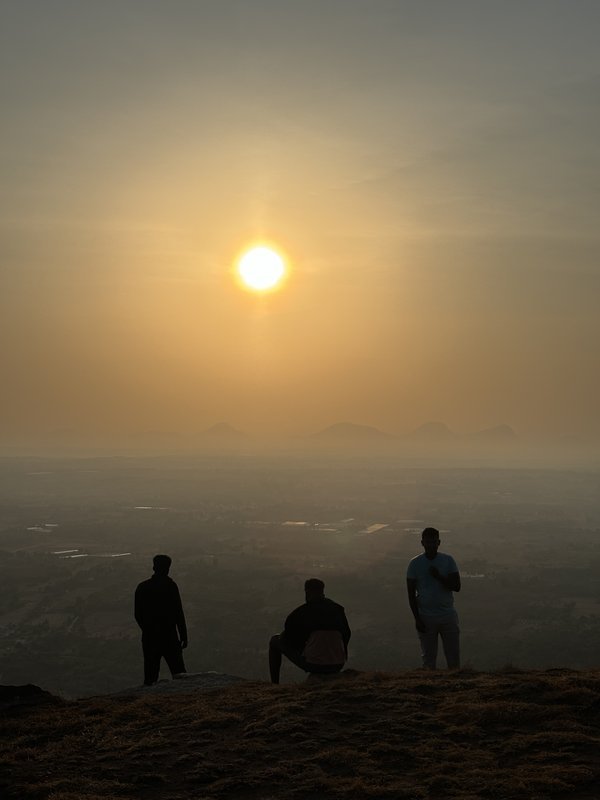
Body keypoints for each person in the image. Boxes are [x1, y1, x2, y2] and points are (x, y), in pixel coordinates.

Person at [269, 578, 351, 684]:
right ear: (322, 591)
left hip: (315, 665)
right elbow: (347, 634)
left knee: (274, 641)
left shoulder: (301, 613)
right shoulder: (338, 609)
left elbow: (288, 639)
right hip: (338, 664)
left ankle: (274, 684)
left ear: (307, 592)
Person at [406, 527, 461, 669]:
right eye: (428, 542)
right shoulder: (414, 564)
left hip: (447, 614)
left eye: (433, 542)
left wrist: (439, 577)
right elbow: (411, 594)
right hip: (426, 616)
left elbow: (456, 586)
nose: (431, 545)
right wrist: (417, 619)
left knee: (453, 655)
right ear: (422, 543)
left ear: (439, 542)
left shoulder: (448, 561)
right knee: (428, 658)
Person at [134, 554, 188, 685]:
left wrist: (148, 630)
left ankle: (145, 700)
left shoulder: (142, 587)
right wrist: (183, 635)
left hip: (150, 638)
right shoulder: (171, 586)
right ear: (168, 568)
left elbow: (138, 614)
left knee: (150, 674)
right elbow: (178, 613)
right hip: (169, 636)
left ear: (154, 567)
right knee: (180, 674)